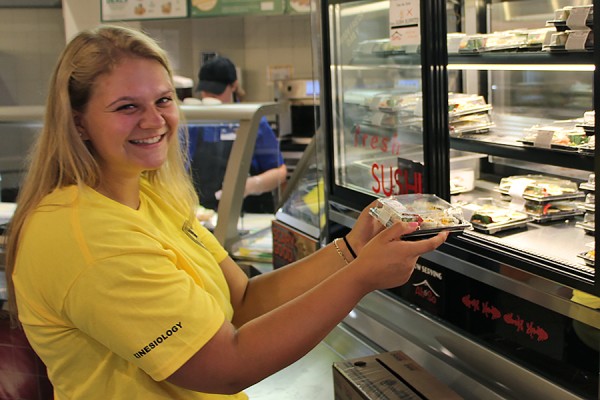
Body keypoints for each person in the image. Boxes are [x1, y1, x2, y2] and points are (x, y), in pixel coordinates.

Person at [4, 25, 448, 400]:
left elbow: (243, 302)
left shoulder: (148, 195)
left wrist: (351, 250)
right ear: (78, 121)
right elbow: (226, 365)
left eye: (163, 100)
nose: (155, 120)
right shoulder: (85, 237)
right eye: (126, 107)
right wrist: (361, 278)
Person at [188, 56, 287, 213]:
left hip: (248, 215)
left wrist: (251, 185)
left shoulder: (252, 121)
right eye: (205, 91)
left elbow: (280, 172)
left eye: (217, 91)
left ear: (233, 86)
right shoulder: (194, 124)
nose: (210, 97)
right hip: (202, 216)